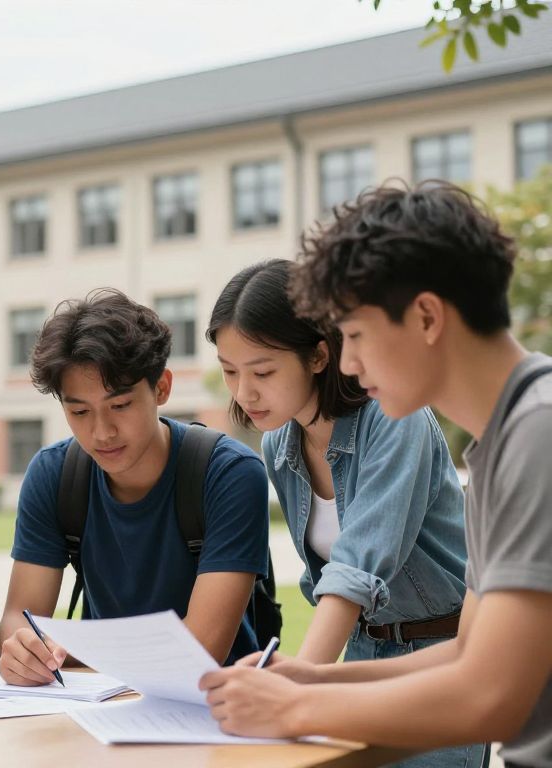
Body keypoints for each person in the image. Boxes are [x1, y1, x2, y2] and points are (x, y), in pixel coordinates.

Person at [201, 182, 552, 768]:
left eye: (357, 336)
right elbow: (467, 652)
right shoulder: (503, 442)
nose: (348, 362)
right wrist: (311, 680)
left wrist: (294, 708)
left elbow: (490, 695)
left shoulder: (539, 432)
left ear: (427, 317)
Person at [207, 259, 484, 767]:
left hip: (438, 659)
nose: (244, 392)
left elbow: (355, 569)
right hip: (359, 656)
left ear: (318, 355)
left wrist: (297, 688)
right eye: (230, 371)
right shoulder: (278, 446)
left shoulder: (396, 416)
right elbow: (328, 578)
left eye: (262, 371)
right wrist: (309, 680)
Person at [0, 289, 269, 686]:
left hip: (214, 704)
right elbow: (17, 620)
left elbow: (200, 649)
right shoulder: (53, 474)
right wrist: (23, 651)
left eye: (120, 405)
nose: (101, 432)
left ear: (162, 388)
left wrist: (72, 650)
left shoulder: (229, 473)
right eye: (79, 411)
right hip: (99, 699)